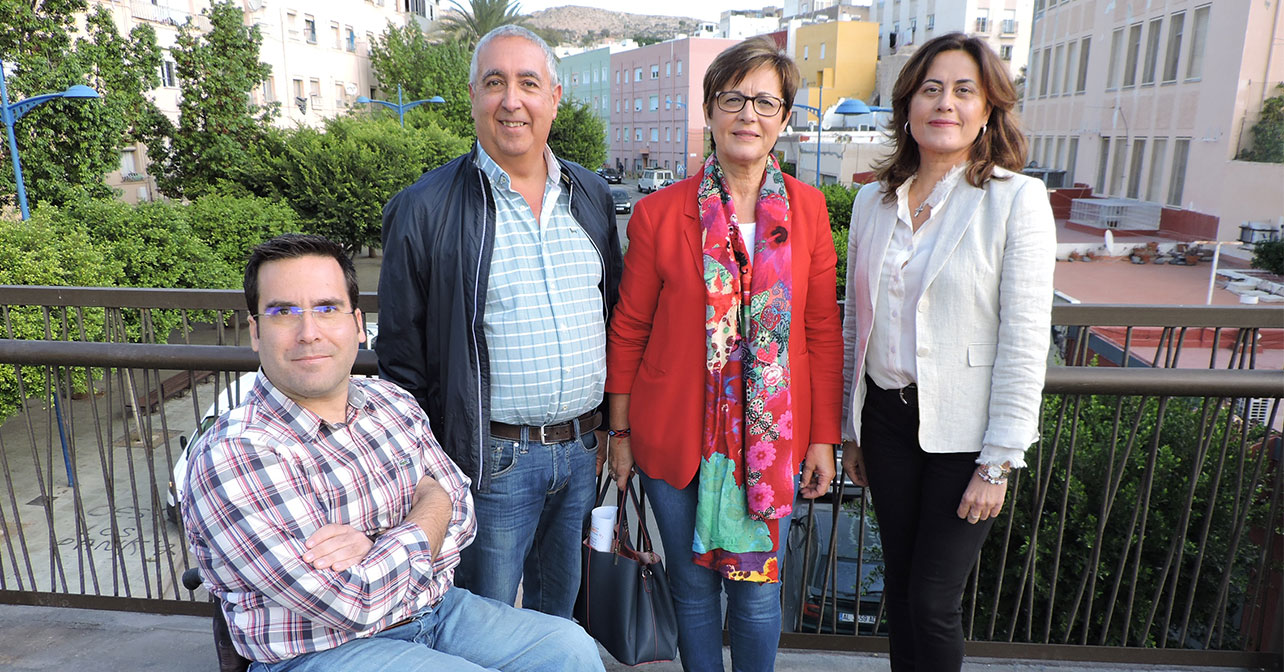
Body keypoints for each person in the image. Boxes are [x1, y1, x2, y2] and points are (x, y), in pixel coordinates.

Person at [181, 234, 604, 672]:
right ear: (255, 331)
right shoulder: (235, 453)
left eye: (327, 308)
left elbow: (462, 512)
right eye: (283, 312)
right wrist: (428, 506)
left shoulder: (390, 402)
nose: (309, 333)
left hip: (437, 612)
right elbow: (351, 601)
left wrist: (375, 541)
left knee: (569, 647)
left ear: (358, 324)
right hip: (320, 650)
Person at [605, 37, 843, 671]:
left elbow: (821, 330)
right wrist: (619, 431)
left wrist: (823, 439)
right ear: (709, 110)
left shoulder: (810, 211)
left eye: (766, 102)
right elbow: (629, 327)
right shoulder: (659, 213)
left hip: (774, 441)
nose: (748, 115)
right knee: (693, 592)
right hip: (675, 435)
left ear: (785, 121)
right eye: (733, 98)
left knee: (759, 598)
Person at [377, 25, 622, 618]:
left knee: (555, 621)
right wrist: (435, 466)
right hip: (491, 463)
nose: (512, 100)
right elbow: (401, 363)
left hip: (582, 452)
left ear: (554, 99)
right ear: (473, 97)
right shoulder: (423, 208)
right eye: (495, 82)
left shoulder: (589, 195)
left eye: (528, 83)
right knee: (482, 622)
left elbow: (616, 316)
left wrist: (614, 432)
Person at [839, 33, 1056, 671]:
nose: (946, 103)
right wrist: (850, 430)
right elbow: (858, 325)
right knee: (901, 589)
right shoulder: (873, 201)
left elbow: (1024, 341)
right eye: (931, 89)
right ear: (907, 104)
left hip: (966, 437)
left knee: (934, 599)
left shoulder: (1016, 200)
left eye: (965, 91)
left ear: (988, 110)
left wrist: (998, 463)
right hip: (885, 421)